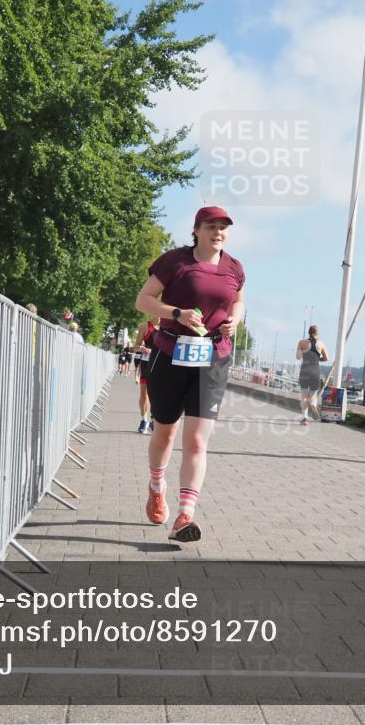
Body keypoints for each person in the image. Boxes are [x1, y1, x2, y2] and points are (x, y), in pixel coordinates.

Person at [135, 205, 245, 543]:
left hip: (213, 357)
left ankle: (185, 515)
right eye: (211, 226)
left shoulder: (234, 267)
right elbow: (144, 300)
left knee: (197, 440)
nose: (218, 232)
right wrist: (177, 313)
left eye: (223, 227)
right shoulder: (175, 261)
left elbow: (238, 301)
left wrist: (236, 319)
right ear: (196, 229)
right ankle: (156, 487)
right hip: (170, 353)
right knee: (165, 434)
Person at [295, 326, 328, 425]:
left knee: (304, 397)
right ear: (317, 333)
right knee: (313, 395)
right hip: (315, 370)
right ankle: (313, 404)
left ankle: (305, 418)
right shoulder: (321, 344)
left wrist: (302, 352)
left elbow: (297, 357)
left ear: (308, 332)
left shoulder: (302, 342)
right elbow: (327, 358)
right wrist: (318, 359)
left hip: (305, 370)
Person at [133, 316, 158, 433]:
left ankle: (154, 421)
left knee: (157, 395)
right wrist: (142, 348)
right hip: (147, 364)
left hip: (161, 365)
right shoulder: (145, 326)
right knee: (144, 394)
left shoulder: (168, 326)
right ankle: (144, 420)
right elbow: (136, 346)